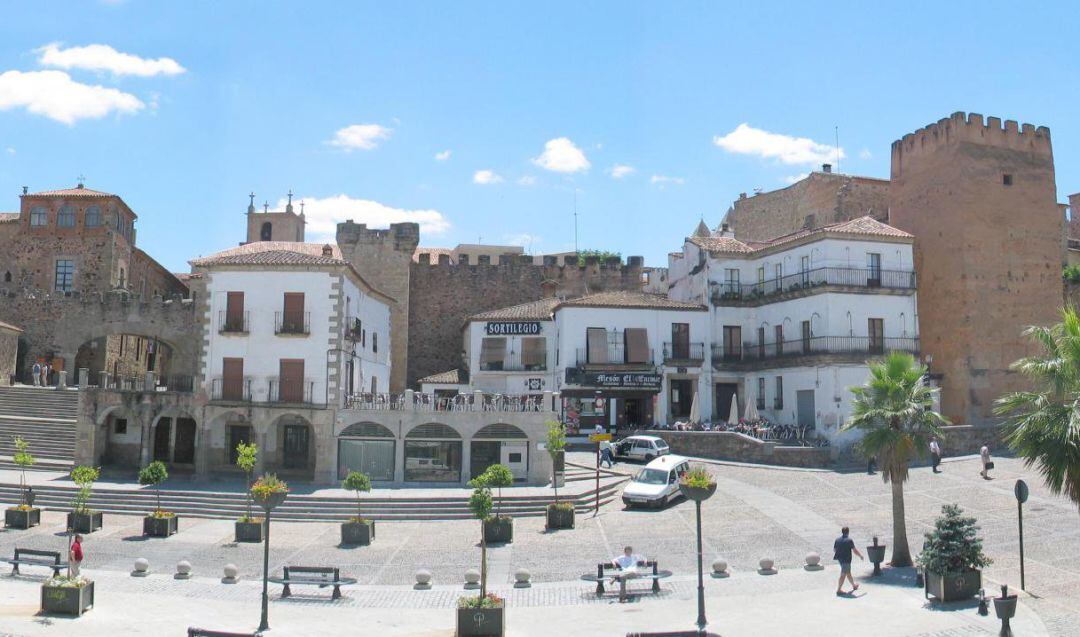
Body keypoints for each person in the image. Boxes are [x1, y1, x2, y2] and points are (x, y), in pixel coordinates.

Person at [833, 526, 864, 596]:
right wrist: (860, 556)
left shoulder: (837, 540)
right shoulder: (849, 540)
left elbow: (834, 550)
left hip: (840, 559)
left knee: (848, 573)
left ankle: (854, 585)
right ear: (848, 532)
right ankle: (839, 590)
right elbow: (854, 550)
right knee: (843, 574)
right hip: (846, 560)